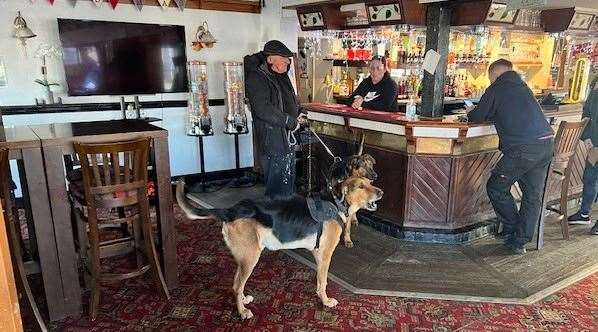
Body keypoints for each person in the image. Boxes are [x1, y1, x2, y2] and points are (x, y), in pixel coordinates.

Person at [466, 59, 554, 254]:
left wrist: (470, 111)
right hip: (546, 144)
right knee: (532, 196)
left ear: (494, 75)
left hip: (523, 148)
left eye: (490, 78)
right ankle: (520, 242)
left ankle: (512, 228)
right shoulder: (523, 86)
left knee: (496, 187)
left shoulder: (497, 88)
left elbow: (477, 117)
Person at [244, 40, 306, 199]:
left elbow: (290, 101)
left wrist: (299, 112)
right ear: (270, 59)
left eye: (288, 57)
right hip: (272, 140)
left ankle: (285, 217)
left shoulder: (282, 75)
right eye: (283, 57)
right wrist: (289, 121)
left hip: (286, 138)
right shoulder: (256, 77)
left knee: (287, 184)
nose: (288, 60)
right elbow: (262, 109)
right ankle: (274, 221)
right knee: (277, 188)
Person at [567, 77, 598, 235]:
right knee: (590, 177)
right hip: (593, 142)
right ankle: (584, 213)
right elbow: (587, 113)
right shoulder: (595, 84)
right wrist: (586, 138)